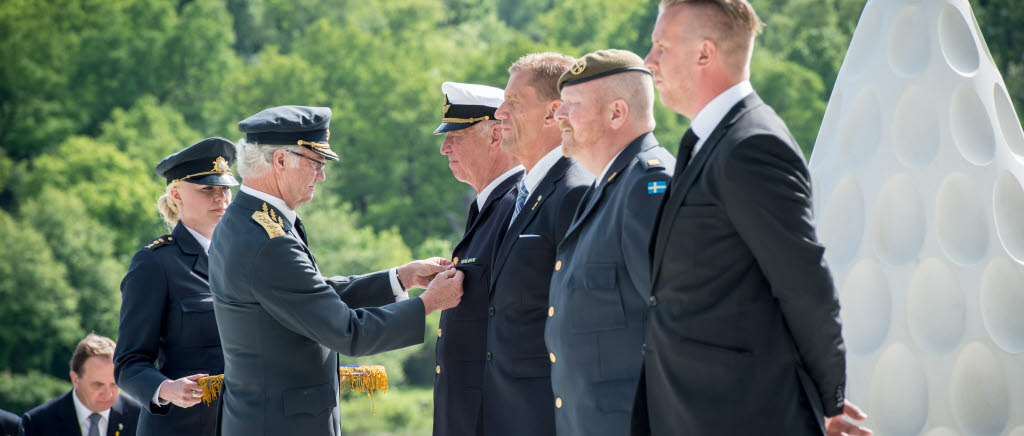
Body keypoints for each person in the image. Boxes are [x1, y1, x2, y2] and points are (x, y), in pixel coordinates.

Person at [633, 1, 871, 435]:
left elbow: (804, 284)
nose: (649, 62)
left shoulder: (752, 146)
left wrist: (825, 400)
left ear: (705, 53)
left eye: (661, 47)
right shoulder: (710, 141)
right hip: (693, 409)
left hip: (737, 414)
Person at [209, 105, 464, 436]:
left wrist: (399, 279)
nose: (322, 175)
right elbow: (349, 333)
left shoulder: (248, 220)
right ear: (281, 161)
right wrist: (429, 303)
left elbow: (308, 296)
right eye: (316, 163)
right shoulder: (268, 240)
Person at [546, 49, 674, 436]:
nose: (558, 116)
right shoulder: (607, 186)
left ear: (617, 113)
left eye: (572, 106)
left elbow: (681, 322)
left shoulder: (649, 187)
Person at [481, 53, 593, 436]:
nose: (499, 113)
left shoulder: (575, 191)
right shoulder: (523, 194)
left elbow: (581, 320)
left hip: (545, 416)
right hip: (505, 411)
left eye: (513, 102)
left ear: (553, 113)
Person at [112, 137, 237, 436]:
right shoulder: (154, 263)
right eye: (207, 189)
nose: (220, 198)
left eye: (225, 189)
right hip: (182, 427)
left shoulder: (243, 259)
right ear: (177, 194)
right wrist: (165, 388)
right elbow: (129, 363)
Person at [432, 82, 523, 436]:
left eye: (456, 135)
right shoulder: (490, 205)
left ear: (495, 135)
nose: (444, 148)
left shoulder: (515, 206)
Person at [22, 334, 143, 436]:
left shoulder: (139, 416)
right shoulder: (39, 423)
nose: (108, 394)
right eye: (98, 385)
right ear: (75, 379)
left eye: (114, 384)